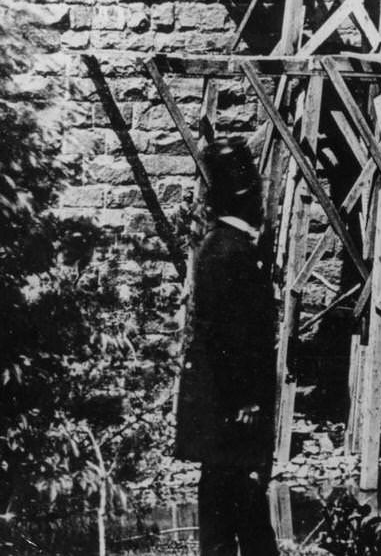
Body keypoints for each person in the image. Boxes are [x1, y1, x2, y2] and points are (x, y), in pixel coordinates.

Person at [175, 138, 278, 556]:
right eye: (252, 189)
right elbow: (225, 338)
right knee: (239, 505)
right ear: (245, 195)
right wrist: (246, 400)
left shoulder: (227, 248)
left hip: (225, 407)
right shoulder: (226, 253)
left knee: (231, 506)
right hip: (231, 408)